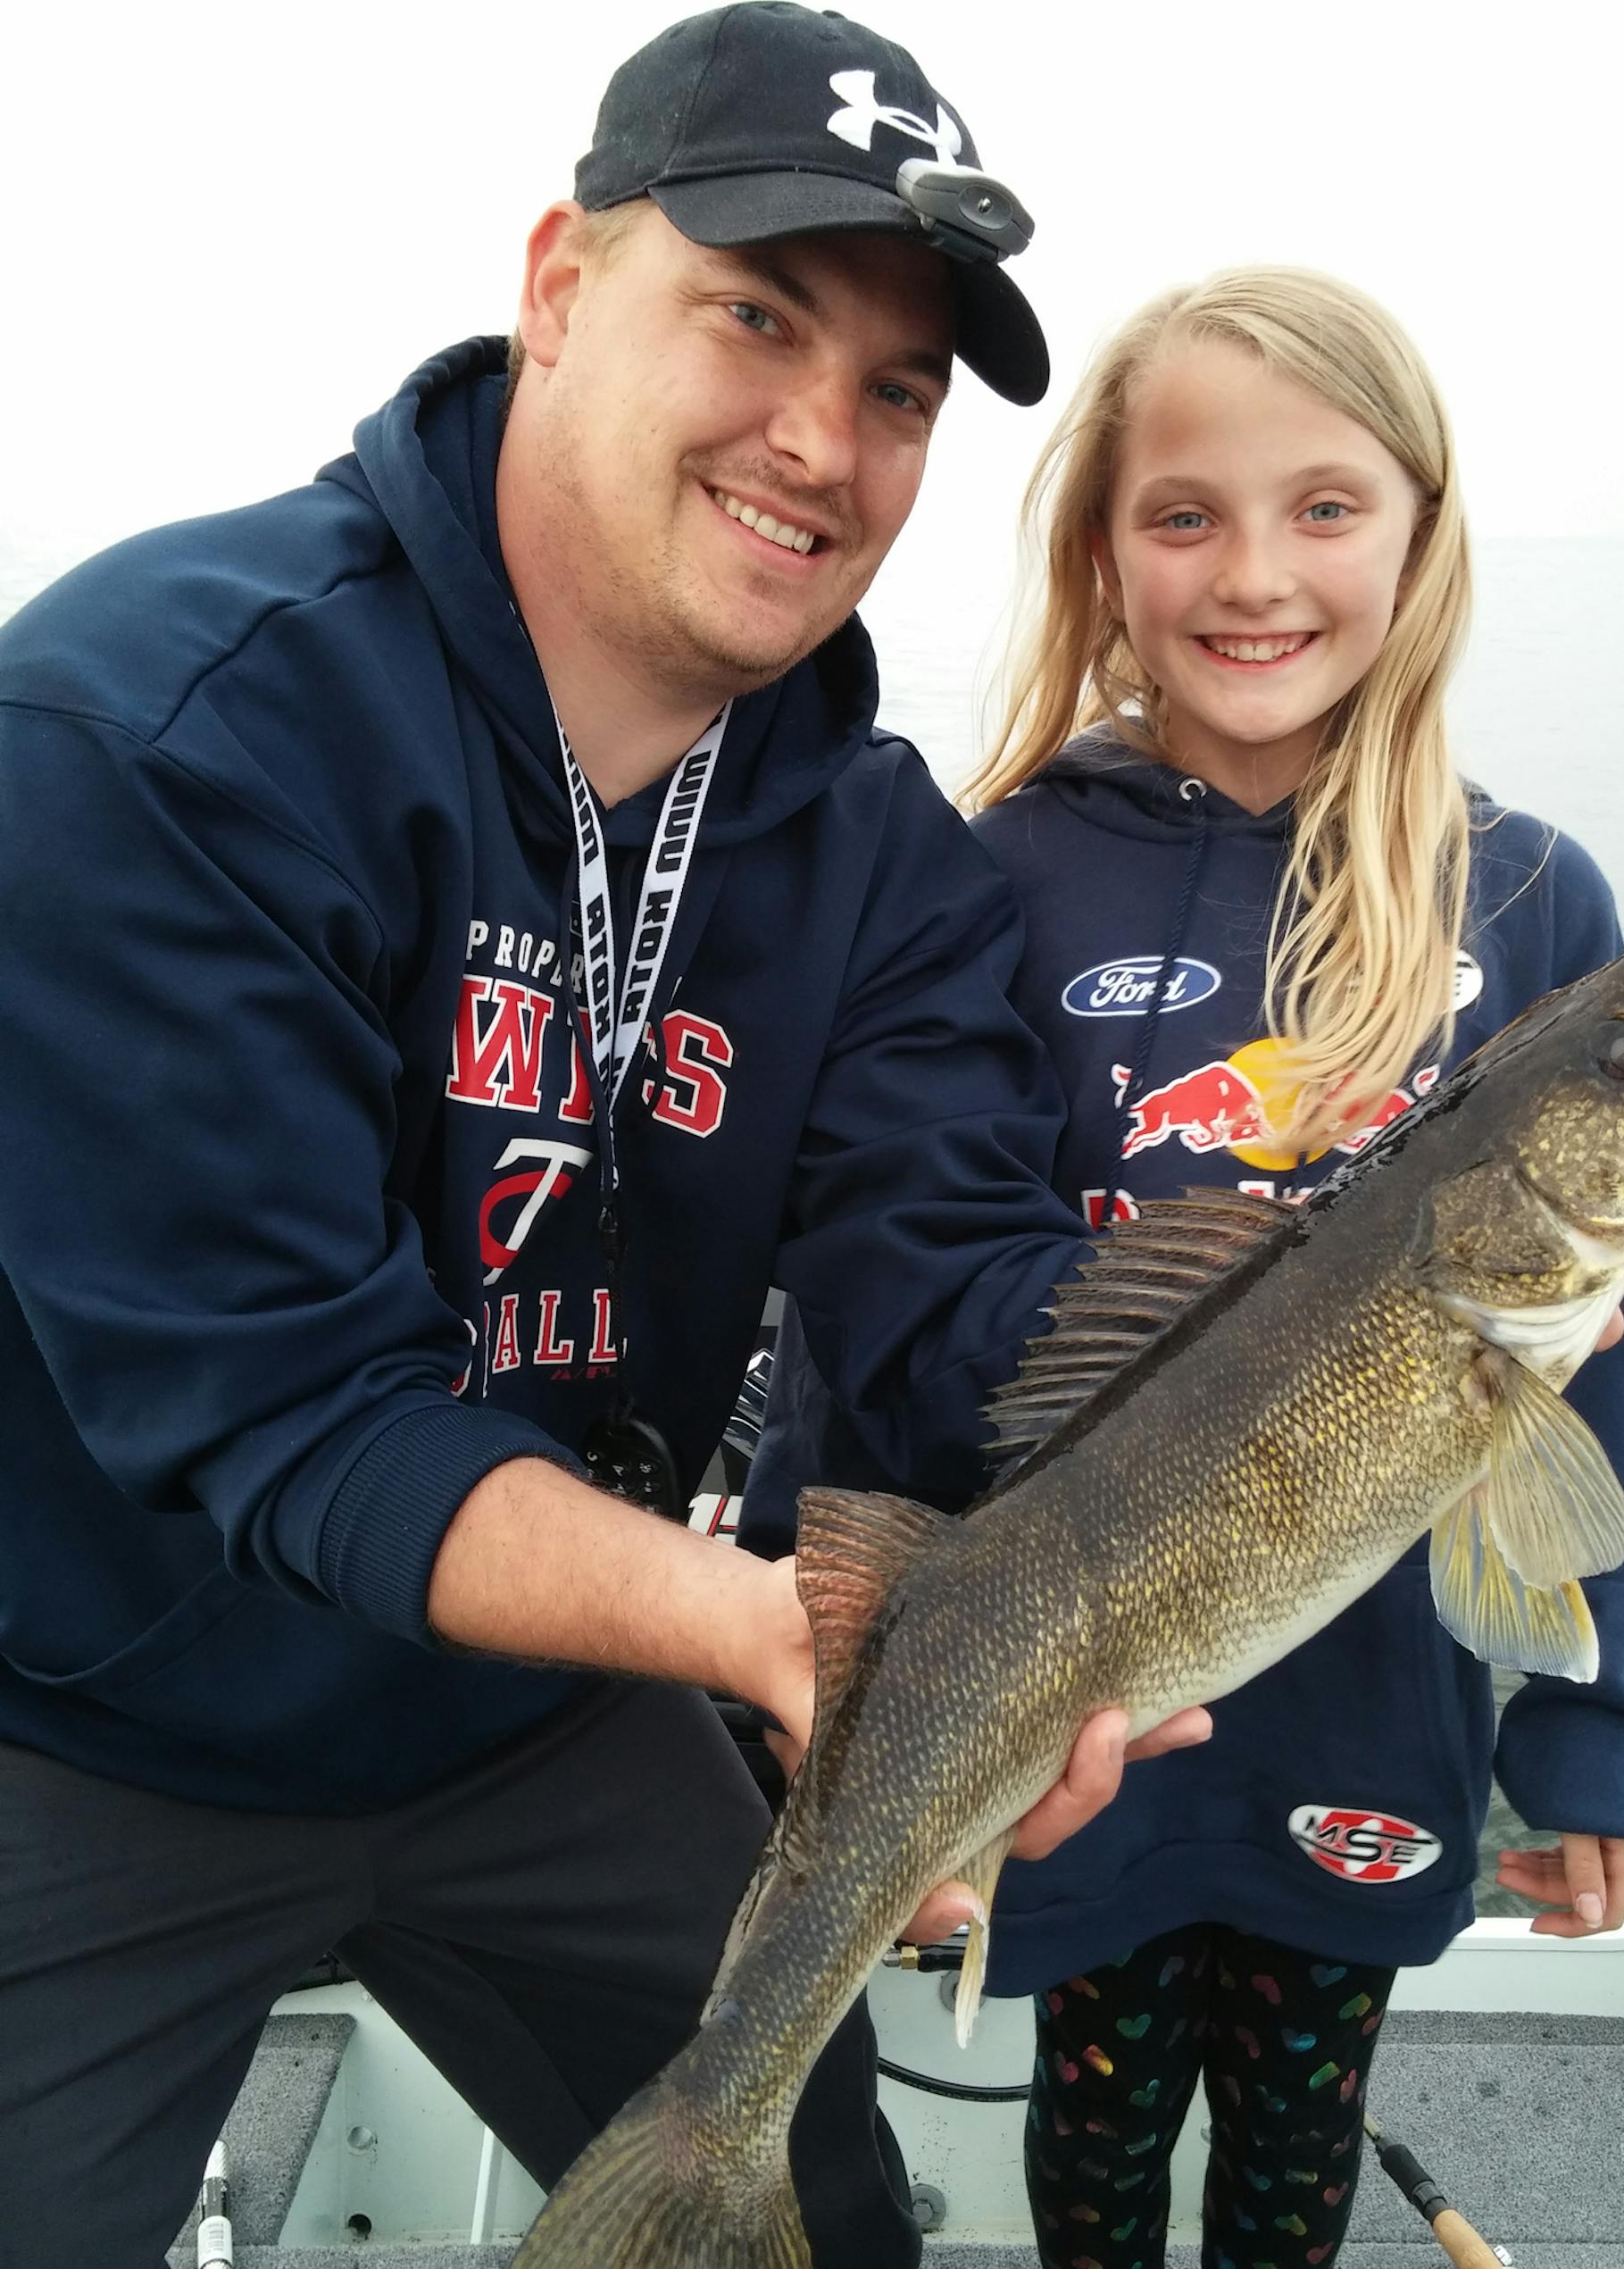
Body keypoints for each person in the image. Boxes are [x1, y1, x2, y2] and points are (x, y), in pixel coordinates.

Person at [0, 9, 1208, 2260]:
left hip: (543, 1717)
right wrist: (754, 1628)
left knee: (815, 2209)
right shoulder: (150, 733)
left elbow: (957, 1302)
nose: (821, 438)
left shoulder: (873, 855)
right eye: (757, 314)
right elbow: (299, 1419)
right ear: (559, 286)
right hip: (91, 1714)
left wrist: (1320, 1307)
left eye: (900, 386)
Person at [743, 266, 1624, 2268]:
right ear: (1100, 547)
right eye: (1184, 513)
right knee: (1095, 2133)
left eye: (1327, 506)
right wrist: (796, 1624)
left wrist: (1600, 1729)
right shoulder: (982, 872)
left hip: (1374, 1701)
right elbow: (885, 1285)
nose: (1255, 572)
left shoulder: (1533, 901)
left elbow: (1582, 1371)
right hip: (1072, 1702)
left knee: (1297, 2127)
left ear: (1424, 531)